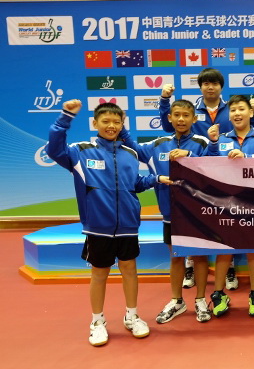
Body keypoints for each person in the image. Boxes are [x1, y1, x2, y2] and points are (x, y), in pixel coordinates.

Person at [47, 100, 171, 347]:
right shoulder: (80, 151)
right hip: (98, 226)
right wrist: (66, 117)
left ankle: (132, 316)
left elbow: (134, 184)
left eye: (117, 122)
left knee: (129, 270)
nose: (111, 126)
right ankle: (97, 321)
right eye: (106, 121)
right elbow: (54, 150)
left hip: (128, 225)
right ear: (95, 123)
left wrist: (156, 179)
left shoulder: (130, 154)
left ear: (122, 124)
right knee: (99, 273)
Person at [120, 99, 213, 324]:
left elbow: (214, 166)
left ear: (194, 119)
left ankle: (201, 299)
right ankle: (177, 301)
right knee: (176, 257)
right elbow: (133, 148)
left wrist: (190, 156)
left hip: (198, 213)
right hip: (171, 214)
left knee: (200, 258)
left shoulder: (201, 143)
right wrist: (121, 127)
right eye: (177, 115)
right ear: (169, 118)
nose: (181, 119)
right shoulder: (158, 144)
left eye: (186, 115)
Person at [159, 73, 237, 291]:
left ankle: (229, 267)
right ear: (200, 87)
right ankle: (190, 265)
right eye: (206, 83)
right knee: (194, 222)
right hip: (196, 174)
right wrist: (164, 100)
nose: (210, 87)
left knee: (223, 221)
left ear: (221, 86)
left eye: (215, 83)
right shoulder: (192, 110)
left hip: (224, 167)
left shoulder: (230, 109)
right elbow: (168, 126)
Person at [206, 95, 254, 317]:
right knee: (224, 249)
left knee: (253, 249)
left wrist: (246, 158)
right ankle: (219, 294)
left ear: (251, 112)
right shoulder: (220, 139)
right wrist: (213, 144)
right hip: (226, 205)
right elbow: (206, 166)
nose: (237, 113)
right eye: (233, 110)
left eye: (241, 109)